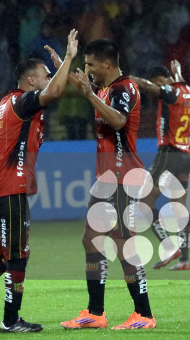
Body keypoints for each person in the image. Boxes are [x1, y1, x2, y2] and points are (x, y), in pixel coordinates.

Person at [0, 28, 79, 333]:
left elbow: (56, 90)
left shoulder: (9, 102)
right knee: (18, 255)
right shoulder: (23, 101)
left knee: (6, 255)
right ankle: (10, 321)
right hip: (8, 187)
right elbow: (54, 92)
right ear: (31, 81)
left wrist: (63, 69)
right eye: (45, 75)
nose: (50, 78)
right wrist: (69, 58)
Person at [60, 39, 156, 330]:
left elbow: (118, 121)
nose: (87, 69)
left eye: (91, 64)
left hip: (122, 177)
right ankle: (95, 312)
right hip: (107, 179)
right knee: (91, 239)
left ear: (107, 64)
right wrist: (63, 64)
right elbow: (86, 89)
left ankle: (144, 314)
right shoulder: (105, 89)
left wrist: (90, 95)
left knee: (124, 244)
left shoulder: (122, 89)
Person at [130, 60, 190, 271]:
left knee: (143, 202)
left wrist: (124, 79)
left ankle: (169, 247)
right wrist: (178, 73)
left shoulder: (171, 93)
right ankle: (184, 260)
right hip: (185, 155)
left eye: (157, 83)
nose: (156, 88)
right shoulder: (189, 92)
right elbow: (180, 83)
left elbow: (148, 86)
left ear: (161, 80)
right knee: (180, 209)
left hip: (169, 153)